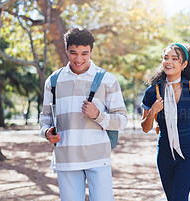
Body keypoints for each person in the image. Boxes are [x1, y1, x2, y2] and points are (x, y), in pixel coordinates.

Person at [39, 28, 128, 201]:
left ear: (91, 51)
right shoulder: (53, 81)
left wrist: (98, 115)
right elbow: (45, 117)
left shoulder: (107, 80)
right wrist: (46, 132)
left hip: (98, 158)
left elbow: (123, 120)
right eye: (73, 53)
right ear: (66, 50)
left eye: (84, 53)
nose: (78, 59)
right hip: (66, 159)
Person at [140, 43, 190, 201]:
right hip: (164, 153)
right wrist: (153, 111)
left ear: (184, 64)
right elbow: (145, 128)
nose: (168, 62)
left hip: (188, 152)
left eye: (174, 58)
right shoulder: (153, 91)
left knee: (179, 198)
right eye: (166, 58)